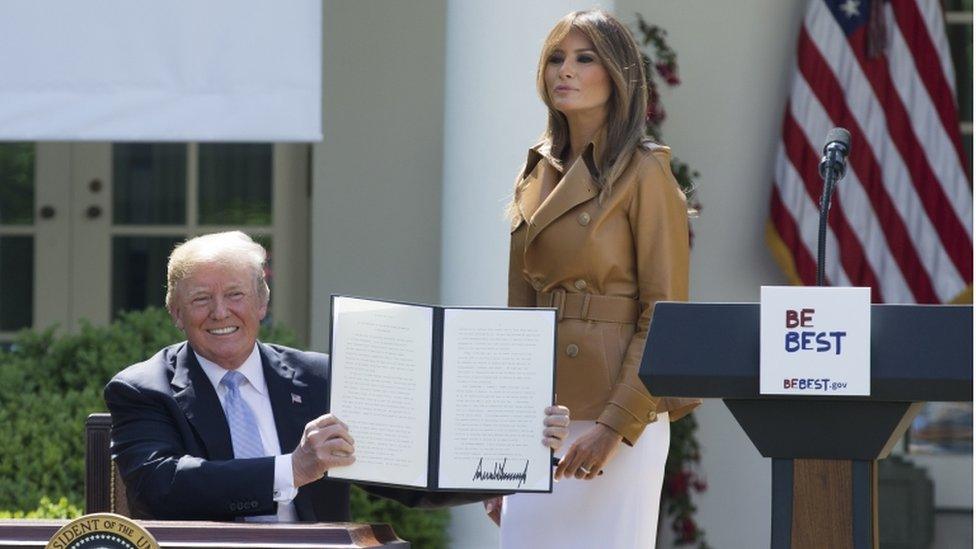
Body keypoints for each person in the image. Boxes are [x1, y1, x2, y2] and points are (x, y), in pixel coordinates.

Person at [104, 231, 570, 522]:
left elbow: (409, 474)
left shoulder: (322, 378)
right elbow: (161, 488)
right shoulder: (144, 389)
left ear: (262, 303)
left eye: (235, 294)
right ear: (175, 311)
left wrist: (520, 452)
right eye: (201, 298)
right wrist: (295, 468)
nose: (220, 312)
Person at [486, 10, 701, 548]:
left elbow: (666, 317)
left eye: (585, 59)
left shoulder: (646, 171)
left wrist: (613, 428)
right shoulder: (536, 170)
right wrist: (498, 449)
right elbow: (520, 314)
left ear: (618, 73)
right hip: (544, 414)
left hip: (617, 412)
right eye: (557, 58)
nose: (567, 70)